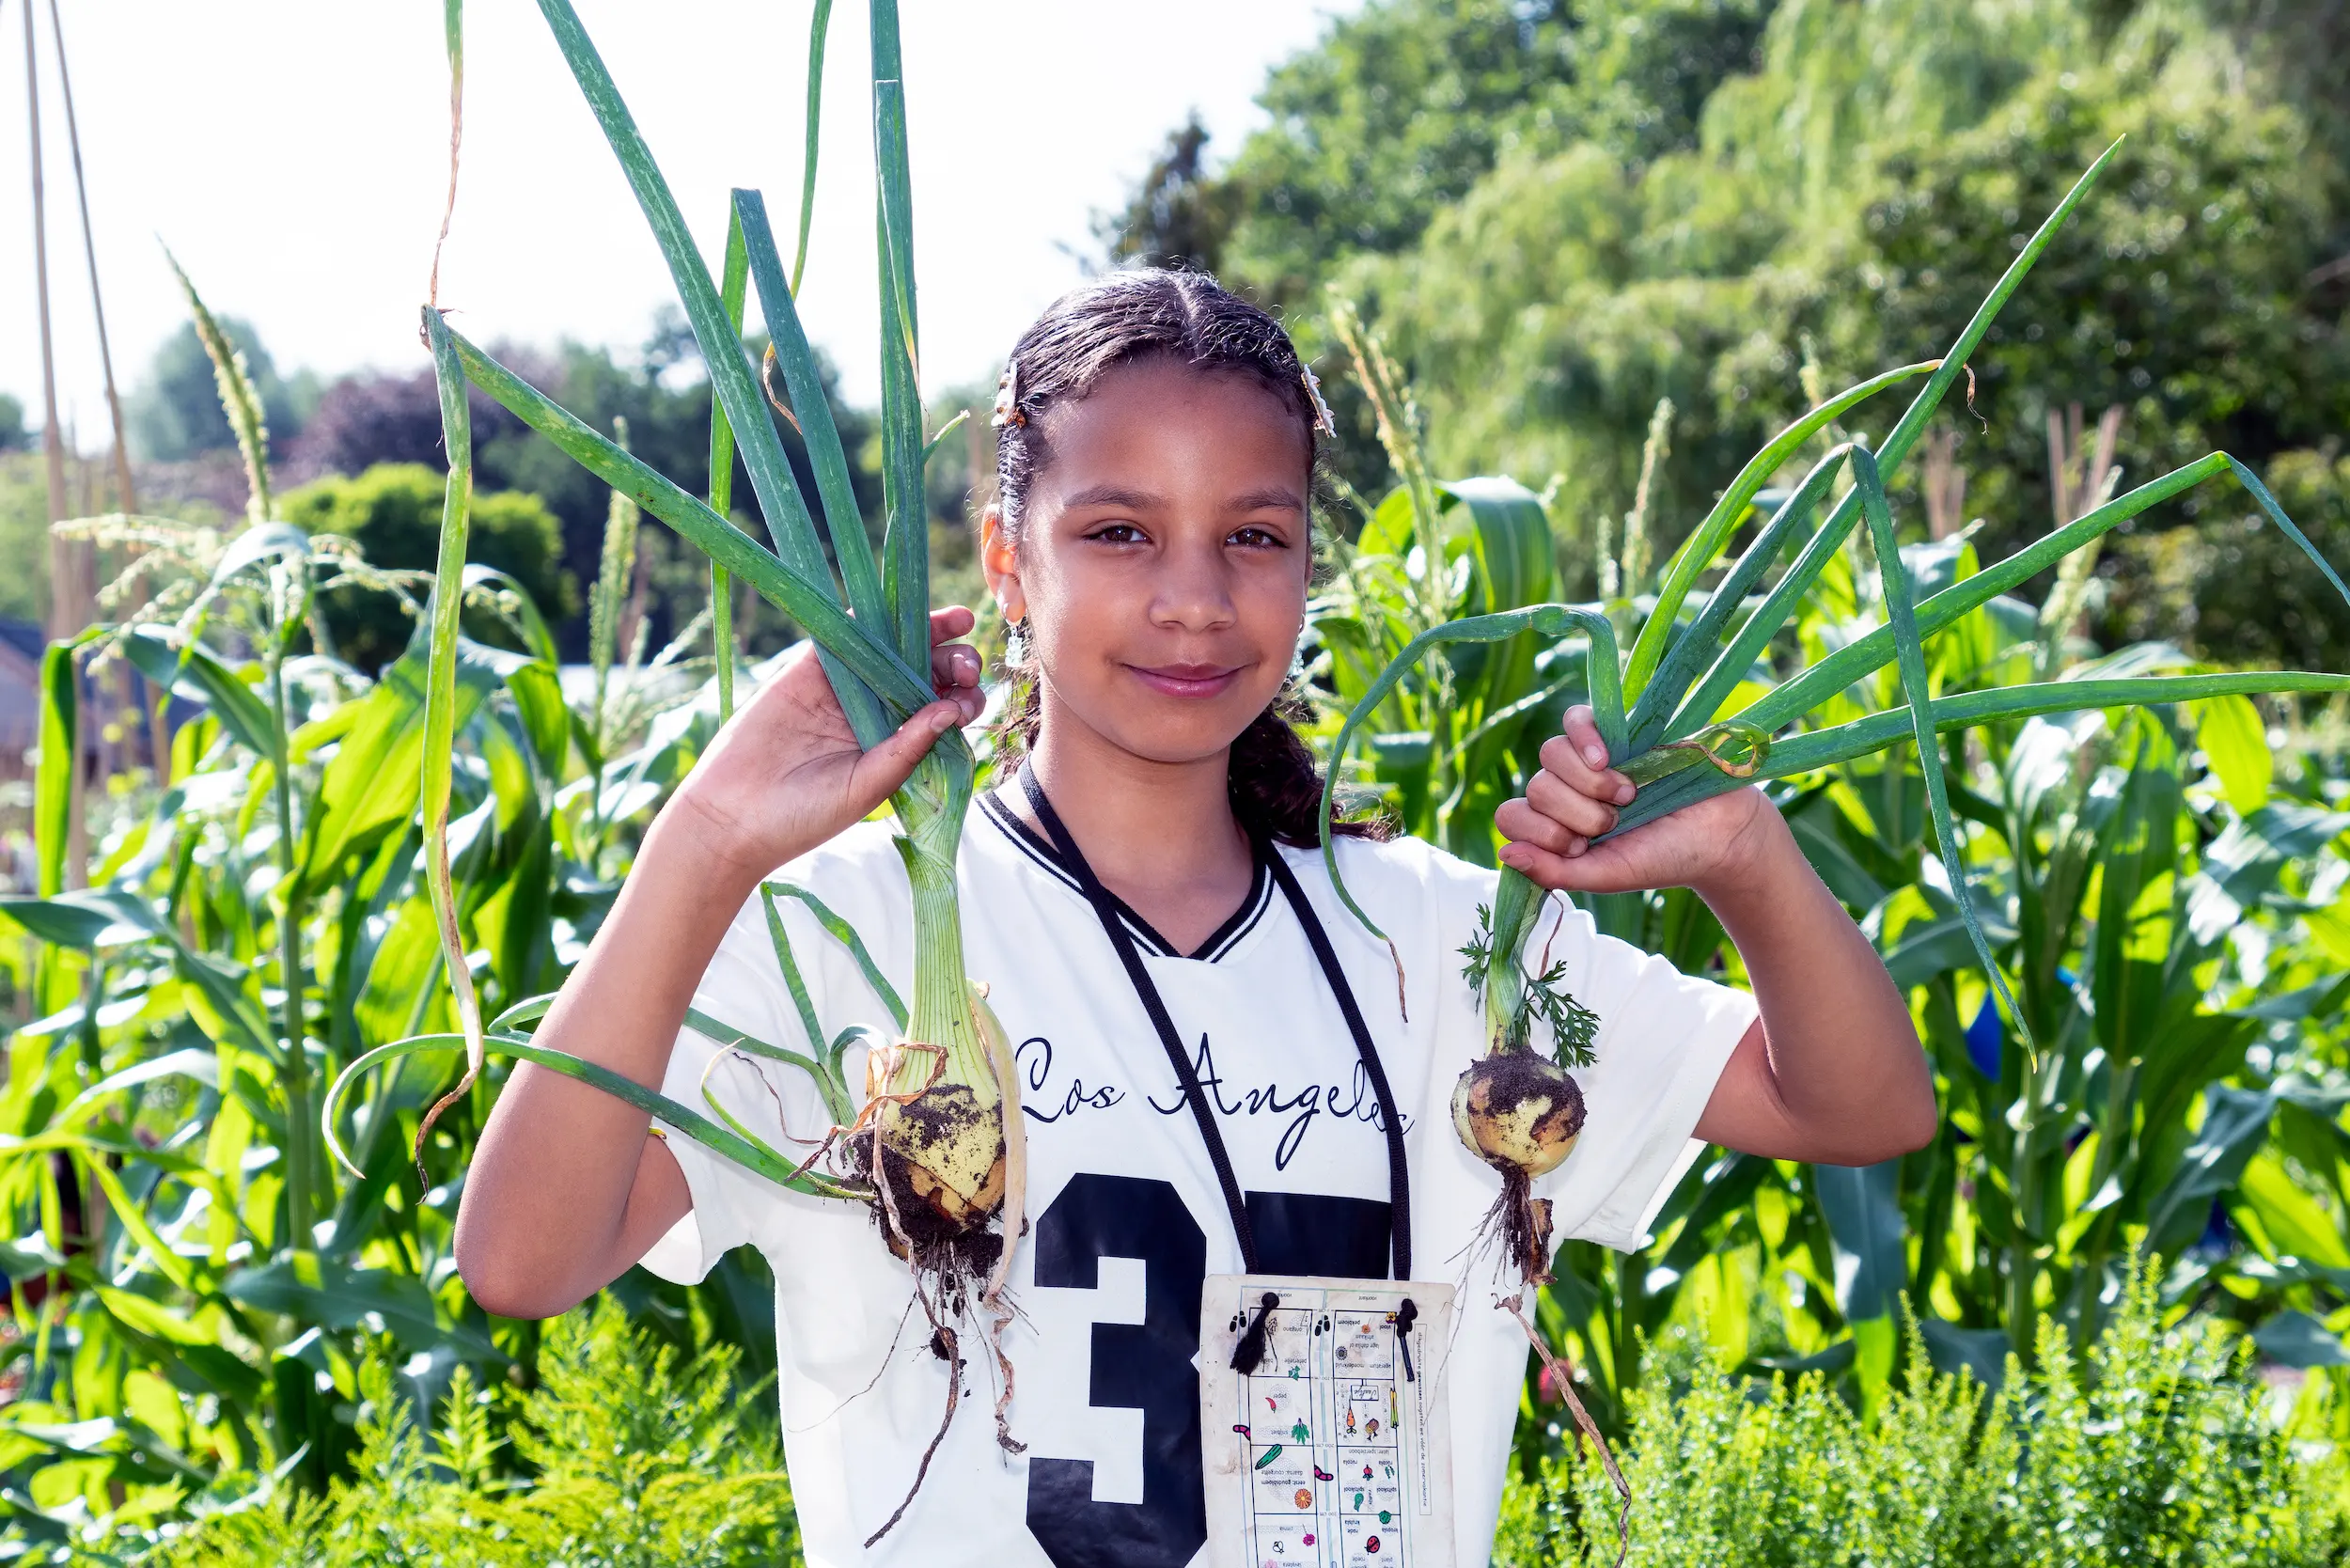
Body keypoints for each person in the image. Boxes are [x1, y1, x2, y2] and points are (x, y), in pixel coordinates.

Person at [454, 270, 1935, 1567]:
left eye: (1254, 537)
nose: (1192, 601)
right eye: (1117, 531)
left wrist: (1744, 854)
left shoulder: (1442, 942)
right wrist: (704, 846)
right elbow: (524, 1263)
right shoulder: (852, 943)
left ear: (1309, 563)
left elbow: (1862, 1106)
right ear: (1006, 557)